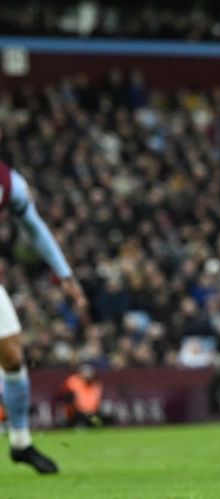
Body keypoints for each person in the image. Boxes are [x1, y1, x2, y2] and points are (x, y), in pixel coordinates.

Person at [0, 160, 86, 473]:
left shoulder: (9, 183)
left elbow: (34, 227)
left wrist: (65, 274)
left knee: (11, 355)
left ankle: (20, 443)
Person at [59, 363, 105, 427]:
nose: (88, 375)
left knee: (97, 421)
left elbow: (96, 402)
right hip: (76, 413)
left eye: (89, 372)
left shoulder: (96, 385)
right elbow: (65, 394)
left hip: (92, 413)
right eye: (86, 372)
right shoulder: (74, 381)